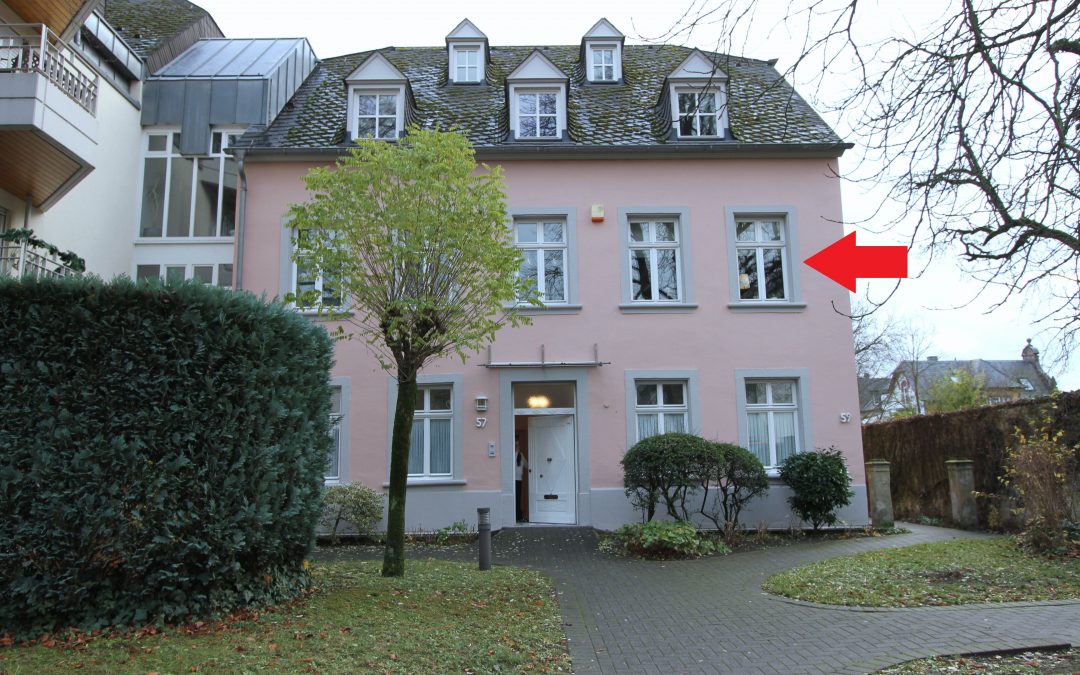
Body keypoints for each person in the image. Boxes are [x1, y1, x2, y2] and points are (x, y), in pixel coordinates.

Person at [515, 443, 528, 522]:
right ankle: (517, 515)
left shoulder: (521, 455)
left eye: (518, 445)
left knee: (518, 498)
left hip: (519, 480)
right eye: (515, 445)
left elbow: (527, 465)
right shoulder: (511, 454)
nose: (517, 447)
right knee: (515, 498)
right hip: (513, 480)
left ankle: (518, 515)